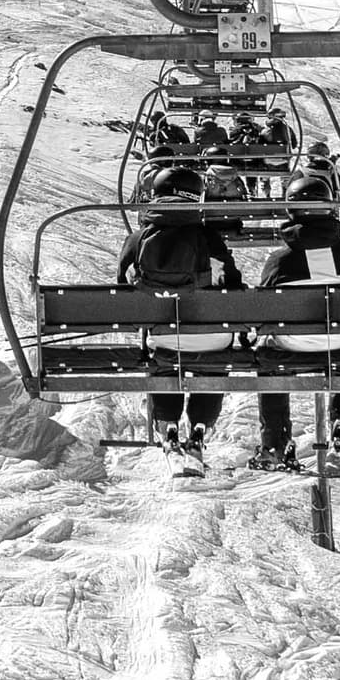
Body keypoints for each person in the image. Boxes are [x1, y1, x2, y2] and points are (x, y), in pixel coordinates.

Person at [117, 167, 244, 469]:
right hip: (212, 336)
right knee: (213, 358)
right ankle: (199, 428)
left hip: (164, 336)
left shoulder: (138, 239)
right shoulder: (208, 238)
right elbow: (233, 285)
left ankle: (168, 425)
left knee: (163, 356)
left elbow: (123, 291)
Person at [254, 209, 340, 467]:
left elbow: (262, 311)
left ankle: (274, 441)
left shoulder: (280, 261)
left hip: (293, 346)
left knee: (268, 356)